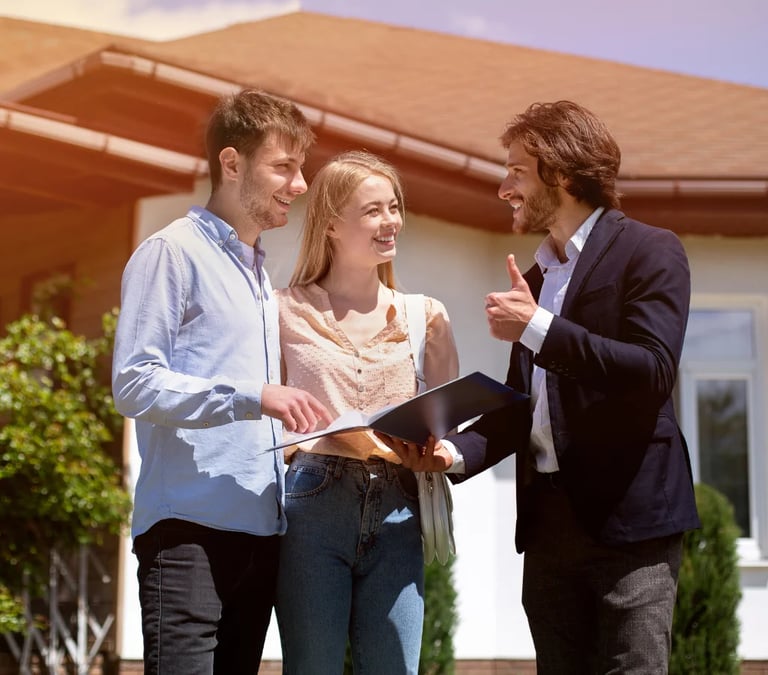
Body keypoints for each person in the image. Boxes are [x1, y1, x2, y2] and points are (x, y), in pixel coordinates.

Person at [393, 100, 701, 674]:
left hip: (630, 523)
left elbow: (652, 370)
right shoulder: (535, 278)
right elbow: (524, 409)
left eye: (516, 170)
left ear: (559, 173)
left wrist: (537, 326)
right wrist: (453, 452)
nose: (504, 185)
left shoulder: (651, 250)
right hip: (549, 526)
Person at [112, 89, 331, 674]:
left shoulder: (262, 276)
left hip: (262, 536)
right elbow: (133, 383)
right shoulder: (170, 253)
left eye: (300, 168)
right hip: (186, 538)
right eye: (284, 167)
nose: (301, 184)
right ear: (232, 164)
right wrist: (250, 396)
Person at [274, 150, 460, 675]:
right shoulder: (281, 311)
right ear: (331, 223)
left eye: (395, 208)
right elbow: (260, 417)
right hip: (312, 504)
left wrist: (439, 447)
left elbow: (448, 421)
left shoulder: (427, 317)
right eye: (373, 210)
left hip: (400, 507)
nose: (391, 222)